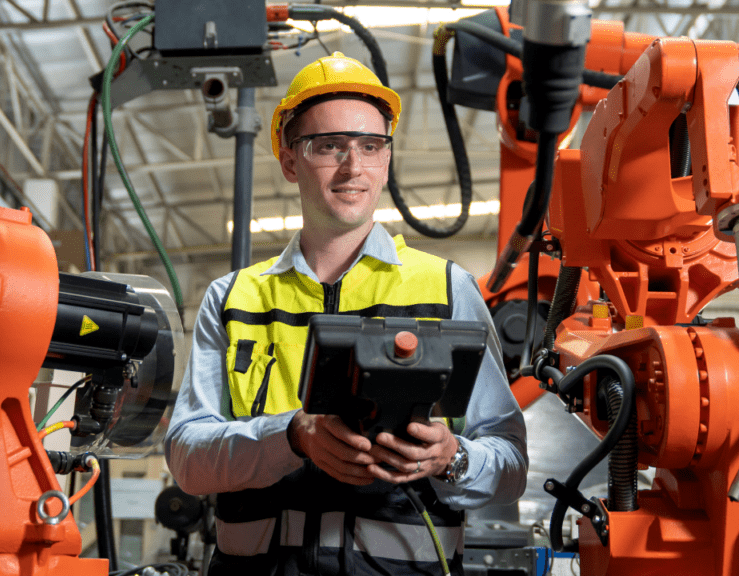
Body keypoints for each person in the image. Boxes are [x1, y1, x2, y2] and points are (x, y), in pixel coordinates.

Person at [165, 51, 528, 575]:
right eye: (328, 146)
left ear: (386, 160)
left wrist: (453, 457)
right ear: (291, 161)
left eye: (370, 146)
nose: (352, 166)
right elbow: (187, 460)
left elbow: (512, 464)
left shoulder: (448, 289)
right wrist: (292, 436)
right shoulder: (234, 298)